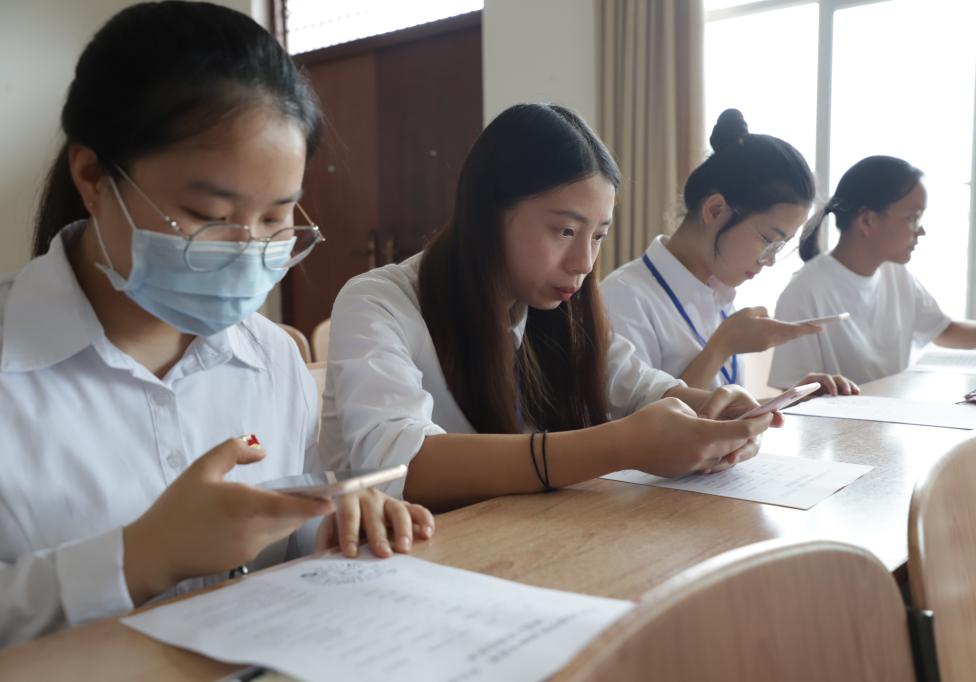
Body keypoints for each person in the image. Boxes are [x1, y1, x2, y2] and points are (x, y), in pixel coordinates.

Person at [0, 1, 431, 648]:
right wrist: (139, 557)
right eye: (207, 215)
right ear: (93, 177)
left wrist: (326, 525)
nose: (248, 249)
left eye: (277, 218)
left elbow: (278, 526)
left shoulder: (272, 360)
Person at [320, 103, 779, 514]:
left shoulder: (559, 307)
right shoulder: (378, 302)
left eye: (598, 236)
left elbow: (638, 385)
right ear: (487, 214)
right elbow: (401, 467)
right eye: (565, 231)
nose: (584, 263)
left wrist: (718, 414)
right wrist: (620, 445)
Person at [603, 109, 858, 396]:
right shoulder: (624, 298)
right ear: (715, 210)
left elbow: (720, 410)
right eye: (768, 240)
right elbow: (643, 420)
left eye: (780, 247)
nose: (770, 260)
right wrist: (721, 347)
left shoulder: (718, 295)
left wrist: (792, 399)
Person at [769, 155, 976, 387]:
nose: (921, 231)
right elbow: (792, 391)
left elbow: (945, 331)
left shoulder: (896, 275)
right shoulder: (805, 292)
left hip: (895, 413)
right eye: (913, 218)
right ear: (867, 220)